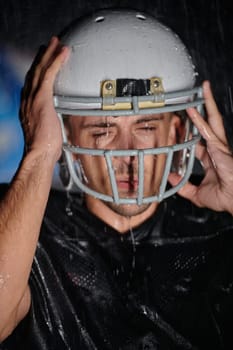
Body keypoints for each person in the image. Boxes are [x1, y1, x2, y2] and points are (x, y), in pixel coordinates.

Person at [0, 8, 233, 350]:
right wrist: (38, 155)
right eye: (103, 129)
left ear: (178, 130)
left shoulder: (220, 232)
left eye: (147, 127)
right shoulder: (23, 230)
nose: (128, 153)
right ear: (65, 138)